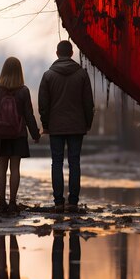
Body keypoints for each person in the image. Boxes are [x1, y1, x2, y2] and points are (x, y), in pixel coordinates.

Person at [38, 40, 94, 213]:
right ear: (71, 54)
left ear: (57, 53)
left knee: (57, 162)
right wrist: (87, 123)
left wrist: (46, 124)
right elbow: (88, 103)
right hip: (77, 126)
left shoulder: (48, 75)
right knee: (74, 162)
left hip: (55, 126)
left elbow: (43, 104)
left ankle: (58, 202)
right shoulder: (82, 75)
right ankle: (73, 202)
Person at [0, 57, 40, 213]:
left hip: (0, 135)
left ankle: (2, 203)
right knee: (15, 169)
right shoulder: (23, 91)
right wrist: (35, 134)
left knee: (1, 169)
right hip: (18, 135)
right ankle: (12, 203)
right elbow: (29, 115)